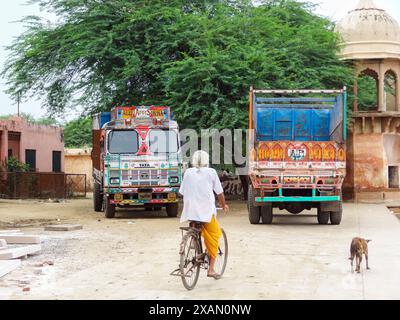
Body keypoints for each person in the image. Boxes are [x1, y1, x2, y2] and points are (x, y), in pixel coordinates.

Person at [179, 150, 229, 280]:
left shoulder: (188, 172)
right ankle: (211, 269)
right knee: (215, 234)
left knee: (197, 227)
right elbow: (220, 193)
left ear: (193, 161)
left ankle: (193, 241)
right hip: (205, 212)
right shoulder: (211, 172)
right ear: (207, 161)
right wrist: (223, 205)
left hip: (190, 211)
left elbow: (183, 192)